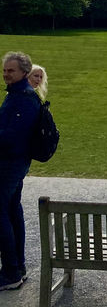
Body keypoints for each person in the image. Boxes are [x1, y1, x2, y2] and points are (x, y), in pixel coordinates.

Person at [0, 51, 41, 290]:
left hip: (9, 166)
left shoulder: (23, 98)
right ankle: (18, 267)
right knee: (12, 212)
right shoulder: (17, 94)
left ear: (24, 72)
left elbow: (12, 137)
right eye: (5, 70)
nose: (6, 74)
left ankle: (12, 272)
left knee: (2, 214)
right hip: (14, 164)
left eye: (11, 70)